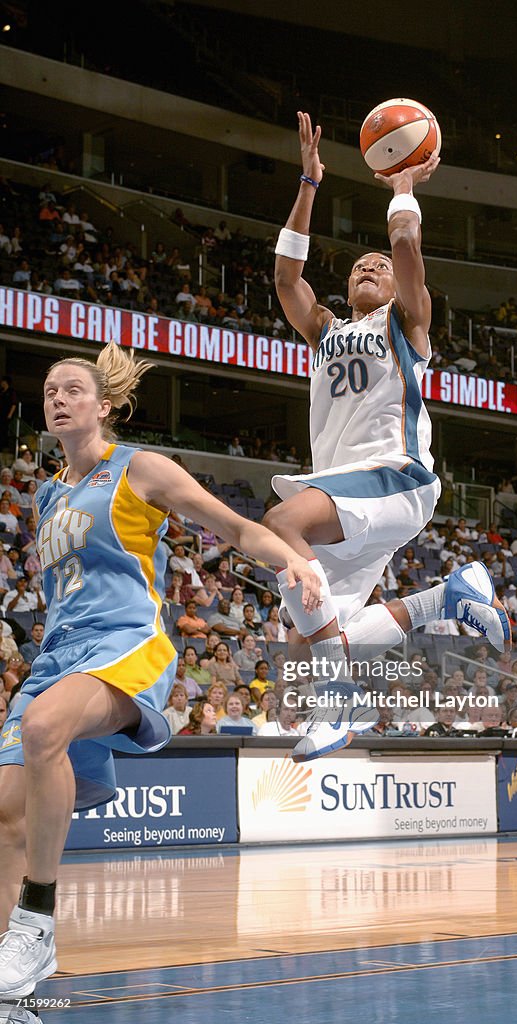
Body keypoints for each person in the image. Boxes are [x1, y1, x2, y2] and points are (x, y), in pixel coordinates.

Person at [0, 341, 322, 999]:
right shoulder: (46, 496)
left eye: (73, 390)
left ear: (105, 406)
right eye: (50, 392)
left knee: (42, 727)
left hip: (125, 645)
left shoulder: (139, 467)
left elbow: (230, 526)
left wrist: (293, 560)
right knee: (5, 816)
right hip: (59, 655)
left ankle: (37, 921)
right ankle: (16, 967)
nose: (58, 398)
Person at [264, 111, 509, 764]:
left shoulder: (407, 323)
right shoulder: (327, 331)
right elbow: (287, 279)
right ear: (345, 287)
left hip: (395, 475)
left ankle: (337, 699)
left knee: (280, 525)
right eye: (359, 267)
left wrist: (402, 191)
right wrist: (308, 183)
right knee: (309, 641)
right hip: (353, 501)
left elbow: (407, 256)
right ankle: (448, 596)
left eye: (380, 265)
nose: (370, 267)